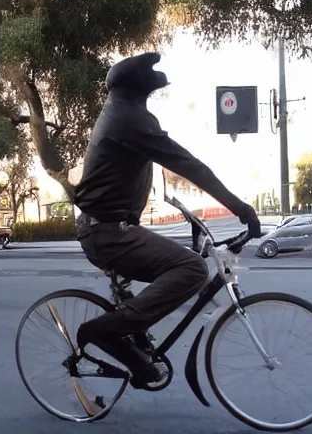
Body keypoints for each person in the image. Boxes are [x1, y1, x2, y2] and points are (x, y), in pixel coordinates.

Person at [73, 52, 262, 388]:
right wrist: (240, 208)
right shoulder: (127, 118)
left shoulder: (125, 114)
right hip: (107, 232)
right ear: (134, 88)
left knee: (178, 266)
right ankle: (106, 332)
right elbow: (189, 166)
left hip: (111, 228)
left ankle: (133, 341)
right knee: (191, 269)